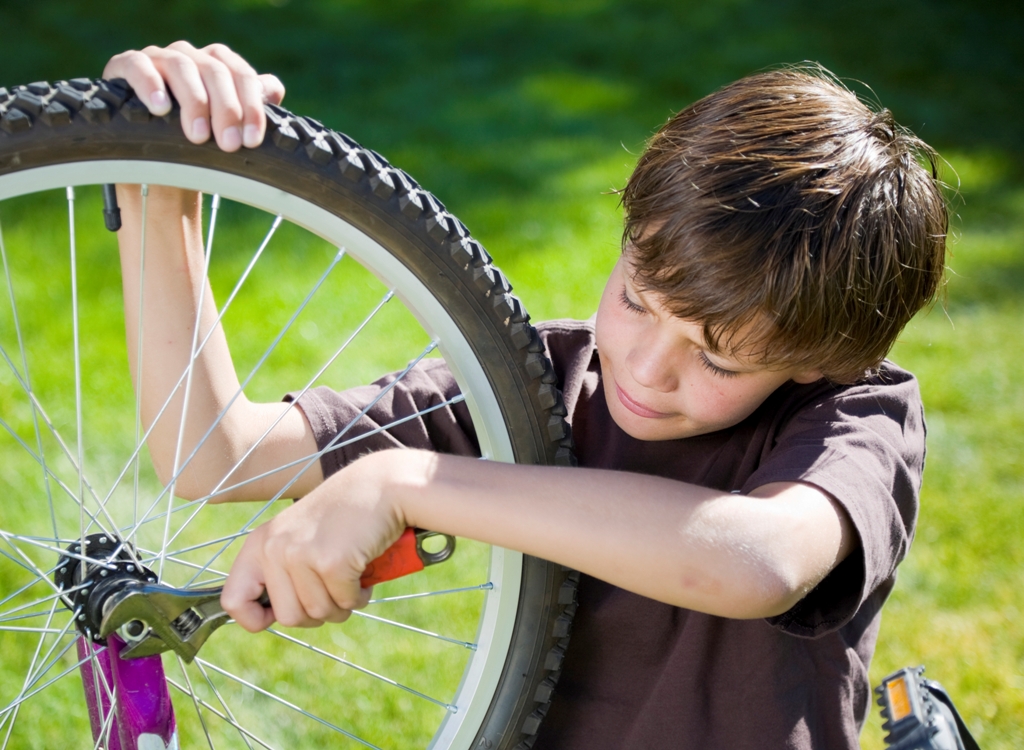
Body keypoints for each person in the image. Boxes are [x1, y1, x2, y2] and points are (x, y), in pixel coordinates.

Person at [104, 42, 947, 749]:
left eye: (718, 360)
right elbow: (212, 450)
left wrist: (402, 485)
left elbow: (758, 562)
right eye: (637, 301)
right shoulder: (541, 381)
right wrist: (157, 189)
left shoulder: (854, 416)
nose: (648, 369)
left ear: (821, 357)